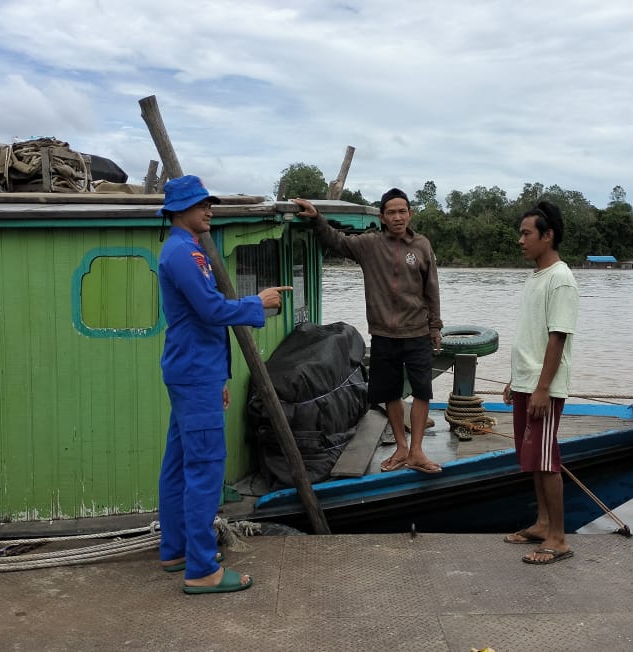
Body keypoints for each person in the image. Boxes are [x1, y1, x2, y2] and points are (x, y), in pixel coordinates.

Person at [156, 174, 292, 593]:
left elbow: (201, 321)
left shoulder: (183, 250)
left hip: (196, 371)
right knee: (204, 469)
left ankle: (176, 549)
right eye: (201, 205)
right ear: (180, 212)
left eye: (207, 203)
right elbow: (212, 311)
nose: (208, 210)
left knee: (179, 464)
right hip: (195, 372)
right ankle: (201, 569)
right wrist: (260, 303)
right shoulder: (184, 254)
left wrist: (221, 377)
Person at [291, 189, 444, 474]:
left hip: (417, 332)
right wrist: (317, 219)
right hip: (384, 333)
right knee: (391, 392)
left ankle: (417, 451)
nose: (398, 217)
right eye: (391, 212)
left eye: (402, 211)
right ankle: (401, 447)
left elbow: (431, 290)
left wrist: (435, 327)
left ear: (410, 214)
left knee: (423, 392)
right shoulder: (370, 245)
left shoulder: (422, 245)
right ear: (383, 217)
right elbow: (336, 241)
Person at [502, 200, 579, 565]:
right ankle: (542, 522)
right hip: (527, 381)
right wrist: (516, 380)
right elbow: (531, 336)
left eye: (526, 233)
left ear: (547, 237)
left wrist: (543, 388)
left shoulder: (561, 278)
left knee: (547, 459)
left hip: (542, 387)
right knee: (532, 458)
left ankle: (559, 538)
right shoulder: (537, 277)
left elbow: (556, 337)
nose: (521, 240)